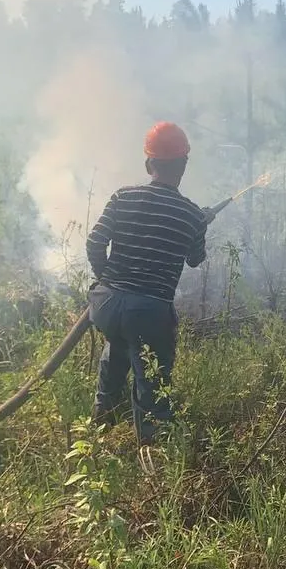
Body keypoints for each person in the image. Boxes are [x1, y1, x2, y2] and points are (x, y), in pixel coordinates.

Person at [84, 121, 214, 444]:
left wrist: (107, 281)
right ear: (183, 166)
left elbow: (94, 242)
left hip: (107, 305)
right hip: (149, 311)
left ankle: (102, 422)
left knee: (117, 344)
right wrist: (201, 223)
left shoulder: (122, 197)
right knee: (152, 381)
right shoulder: (191, 215)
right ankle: (152, 446)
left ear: (148, 163)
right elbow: (196, 259)